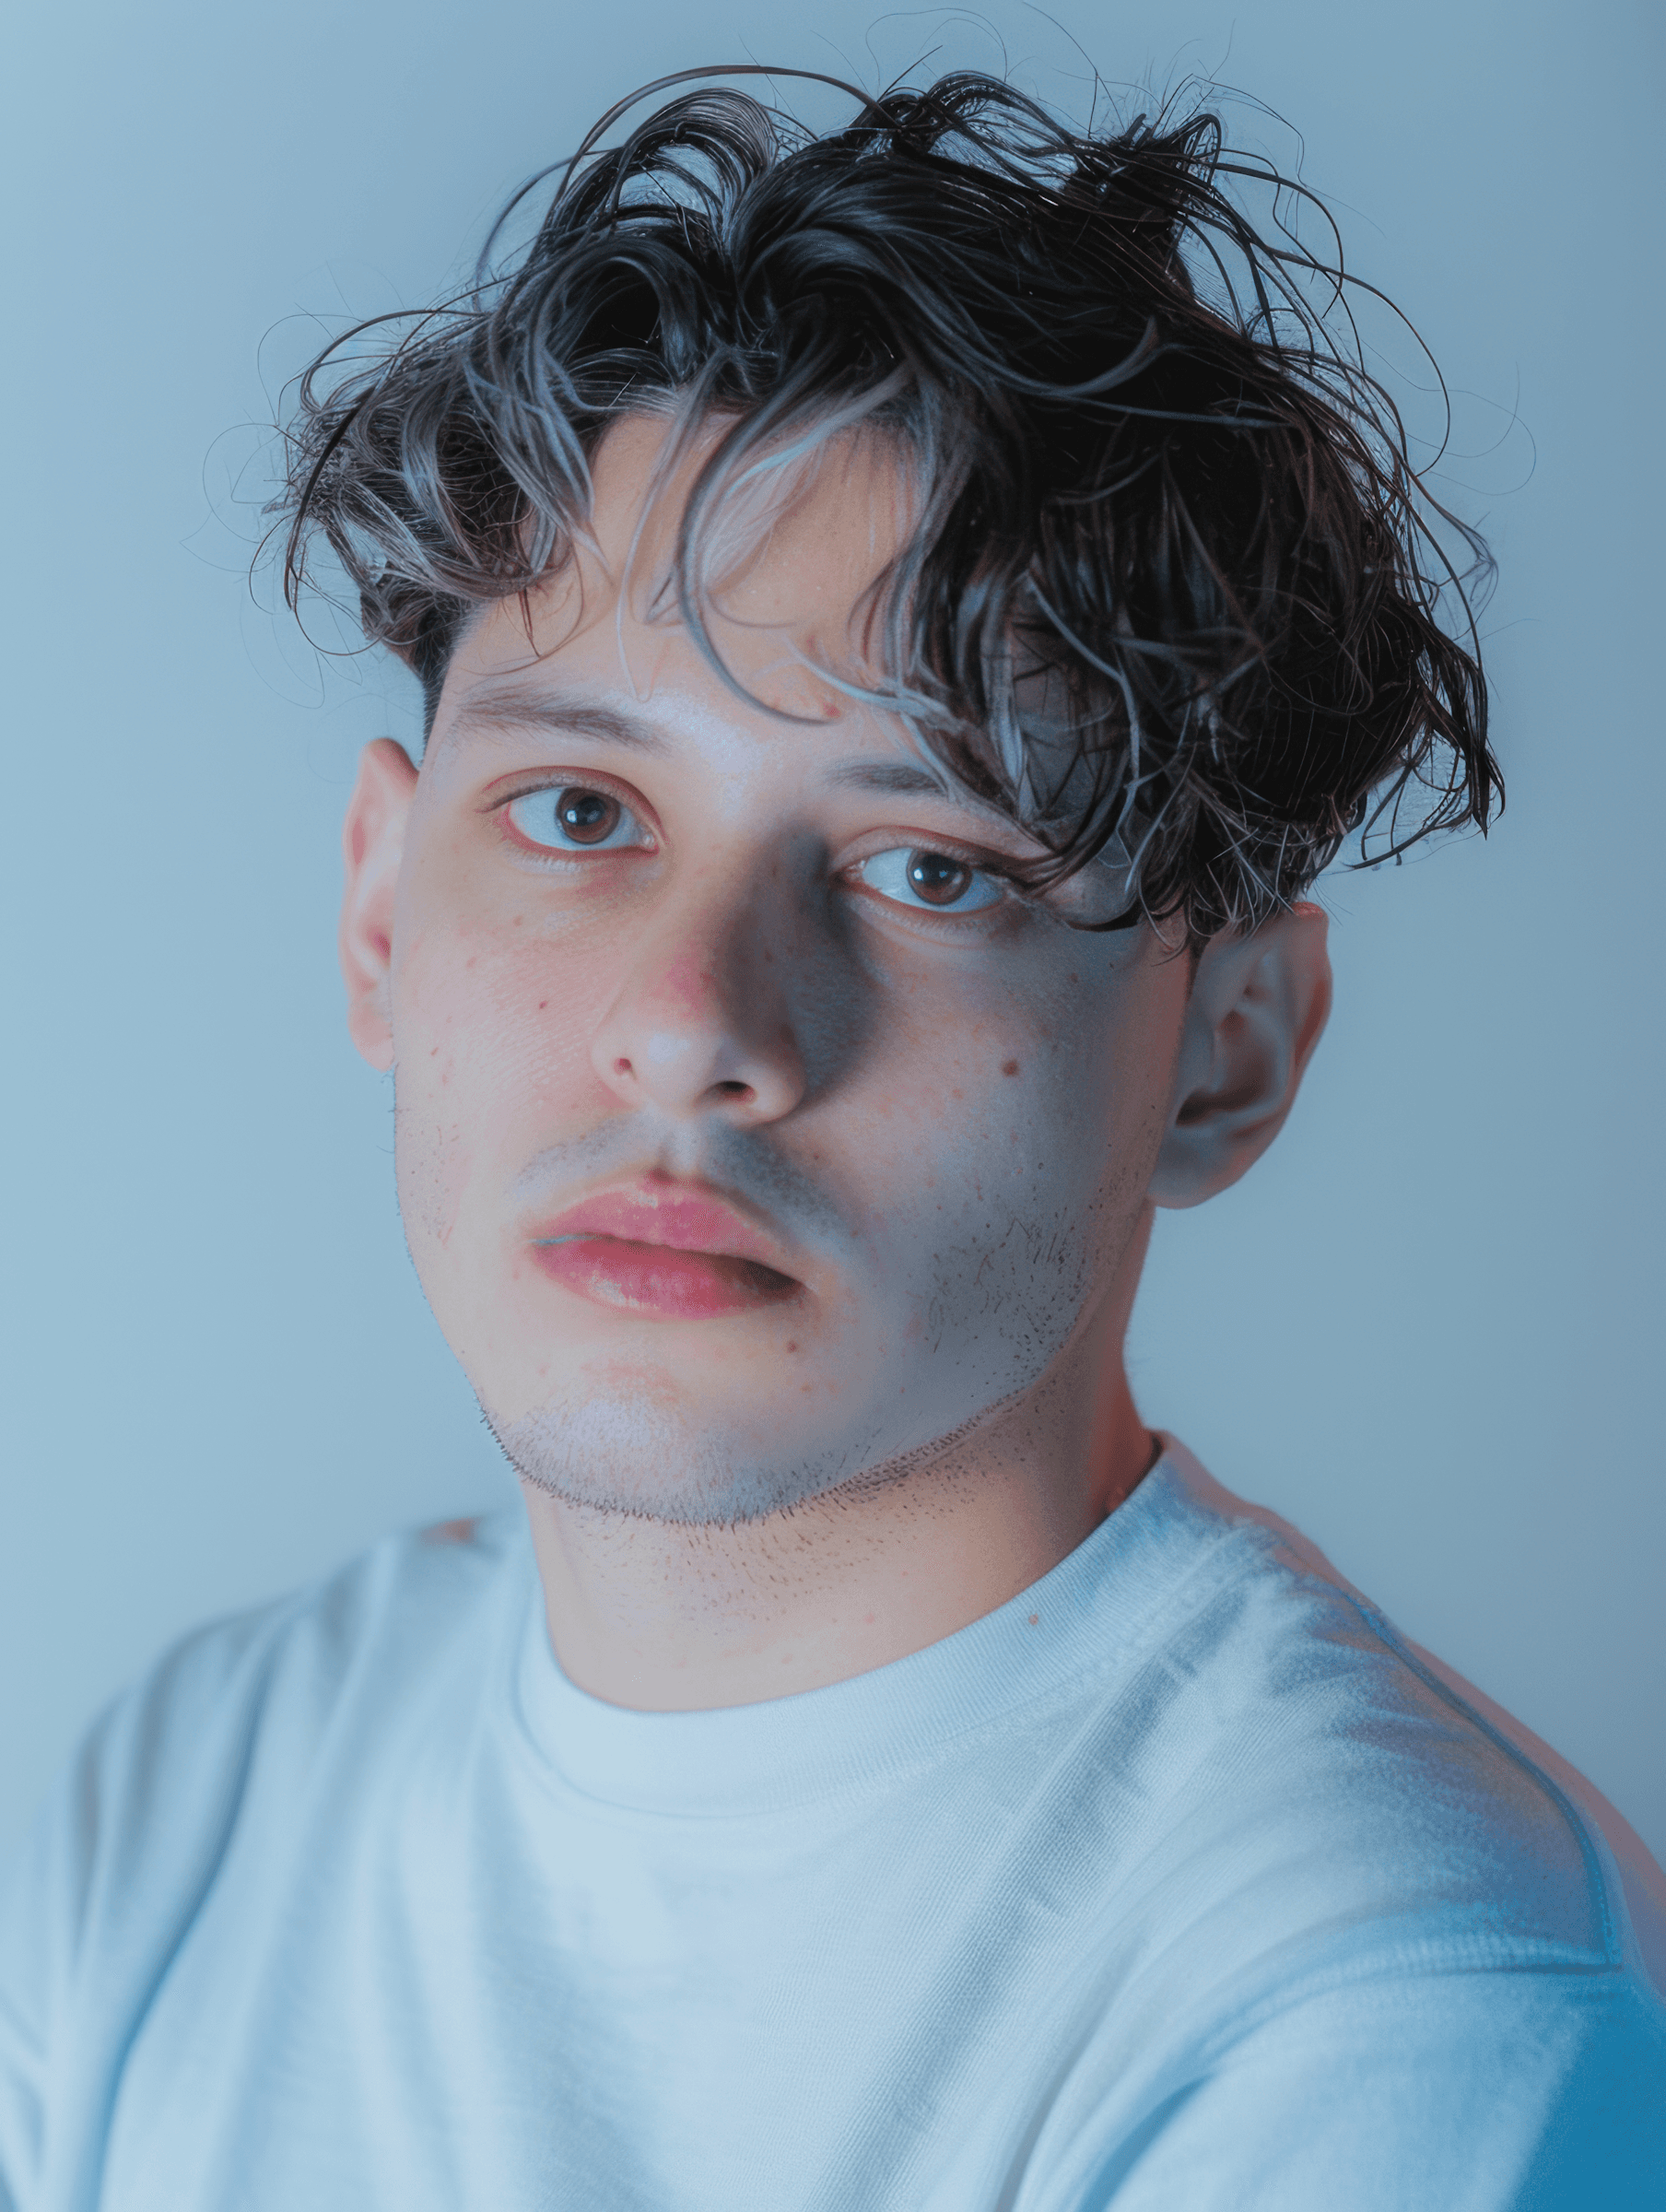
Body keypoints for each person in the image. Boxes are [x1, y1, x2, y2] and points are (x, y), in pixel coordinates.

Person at [2, 65, 1660, 2211]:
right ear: (377, 913)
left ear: (1224, 1052)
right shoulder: (202, 1785)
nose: (693, 1031)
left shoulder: (1388, 2016)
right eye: (581, 814)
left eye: (930, 866)